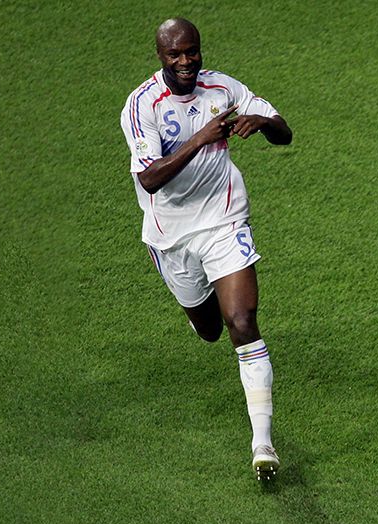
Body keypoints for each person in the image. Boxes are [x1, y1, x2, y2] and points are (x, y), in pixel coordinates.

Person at [120, 18, 293, 481]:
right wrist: (201, 139)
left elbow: (285, 132)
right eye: (174, 54)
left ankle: (263, 445)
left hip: (224, 219)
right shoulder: (142, 106)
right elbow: (150, 178)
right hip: (171, 235)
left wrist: (264, 121)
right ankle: (201, 305)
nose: (185, 62)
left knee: (243, 322)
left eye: (191, 52)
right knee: (211, 329)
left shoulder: (222, 87)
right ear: (160, 56)